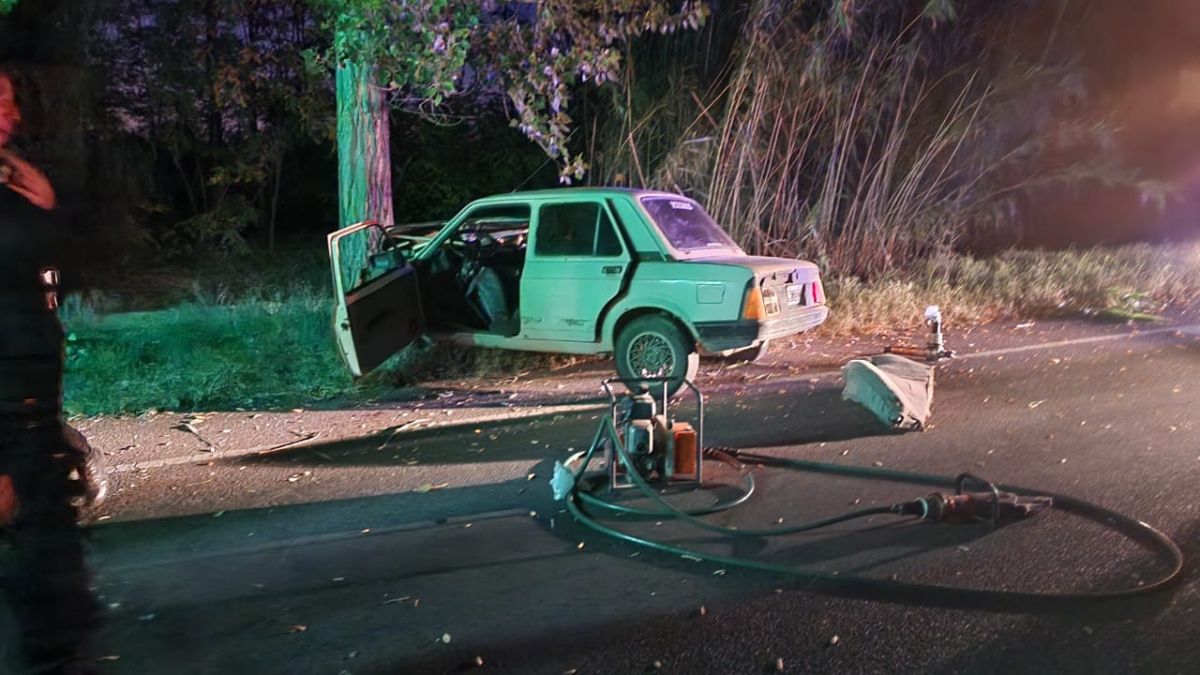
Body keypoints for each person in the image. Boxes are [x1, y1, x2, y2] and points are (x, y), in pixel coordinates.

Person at [0, 68, 99, 675]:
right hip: (12, 405)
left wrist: (48, 211)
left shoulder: (15, 187)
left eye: (11, 102)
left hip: (31, 401)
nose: (11, 116)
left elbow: (58, 275)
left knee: (48, 552)